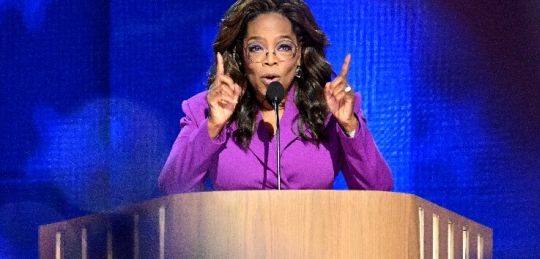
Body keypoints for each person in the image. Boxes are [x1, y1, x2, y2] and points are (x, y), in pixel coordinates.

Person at [158, 0, 393, 194]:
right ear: (241, 56)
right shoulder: (205, 110)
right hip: (234, 247)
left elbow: (379, 191)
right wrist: (213, 126)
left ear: (299, 54)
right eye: (257, 48)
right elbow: (172, 188)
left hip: (315, 245)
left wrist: (349, 125)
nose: (271, 60)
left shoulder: (331, 109)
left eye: (283, 47)